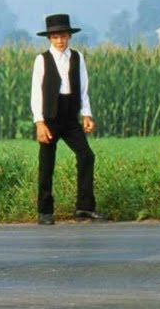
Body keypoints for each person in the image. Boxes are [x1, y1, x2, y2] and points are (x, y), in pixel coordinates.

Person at [31, 14, 105, 225]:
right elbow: (36, 92)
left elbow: (83, 88)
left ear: (69, 36)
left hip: (70, 116)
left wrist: (86, 114)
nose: (60, 40)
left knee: (86, 156)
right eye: (55, 36)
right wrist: (39, 122)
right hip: (50, 117)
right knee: (47, 163)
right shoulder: (42, 59)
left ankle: (84, 207)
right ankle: (45, 211)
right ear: (49, 38)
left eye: (63, 35)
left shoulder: (77, 57)